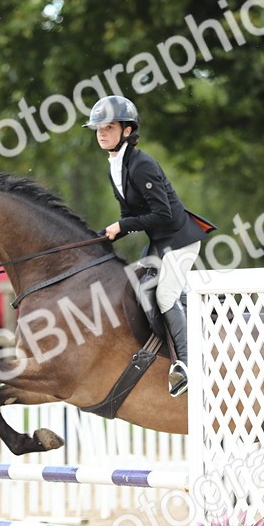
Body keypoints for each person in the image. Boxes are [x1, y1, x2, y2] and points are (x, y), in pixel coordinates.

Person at [84, 95, 210, 397]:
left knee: (166, 295)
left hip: (181, 240)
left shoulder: (140, 164)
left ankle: (188, 365)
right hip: (160, 242)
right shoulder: (116, 165)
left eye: (109, 127)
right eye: (98, 128)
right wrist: (105, 235)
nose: (101, 133)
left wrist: (123, 226)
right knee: (136, 286)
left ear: (127, 130)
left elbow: (162, 213)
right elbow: (130, 215)